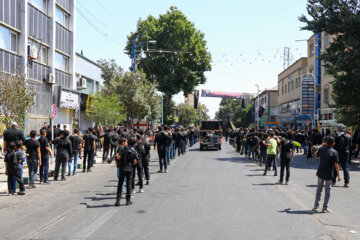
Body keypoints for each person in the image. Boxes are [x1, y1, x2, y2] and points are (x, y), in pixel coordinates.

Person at [313, 136, 341, 213]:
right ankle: (324, 207)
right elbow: (336, 165)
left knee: (319, 189)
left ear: (325, 142)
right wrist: (338, 175)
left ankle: (316, 206)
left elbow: (316, 154)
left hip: (320, 172)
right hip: (329, 173)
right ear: (334, 143)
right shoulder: (334, 152)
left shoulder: (321, 149)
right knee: (327, 191)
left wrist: (321, 146)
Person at [115, 137, 139, 206]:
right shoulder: (134, 151)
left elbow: (118, 157)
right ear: (134, 144)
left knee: (120, 184)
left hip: (122, 168)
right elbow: (135, 162)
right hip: (130, 169)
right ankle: (128, 201)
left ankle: (118, 201)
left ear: (128, 141)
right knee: (129, 185)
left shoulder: (123, 148)